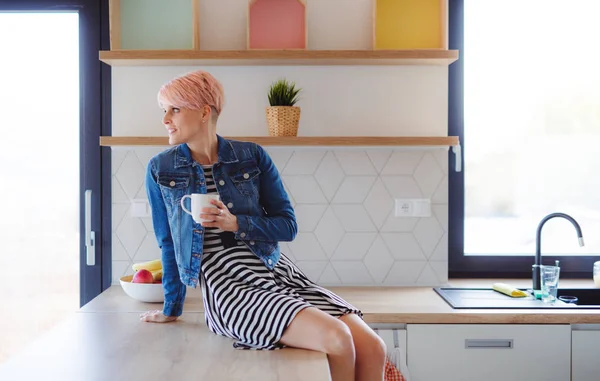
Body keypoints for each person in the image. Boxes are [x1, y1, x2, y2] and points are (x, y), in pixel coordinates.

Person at [140, 70, 386, 381]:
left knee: (374, 347)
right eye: (164, 110)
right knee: (338, 338)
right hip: (229, 285)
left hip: (277, 271)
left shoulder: (251, 156)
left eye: (174, 109)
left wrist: (236, 223)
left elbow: (288, 226)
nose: (165, 119)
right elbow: (168, 242)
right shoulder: (160, 169)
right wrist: (171, 308)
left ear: (204, 112)